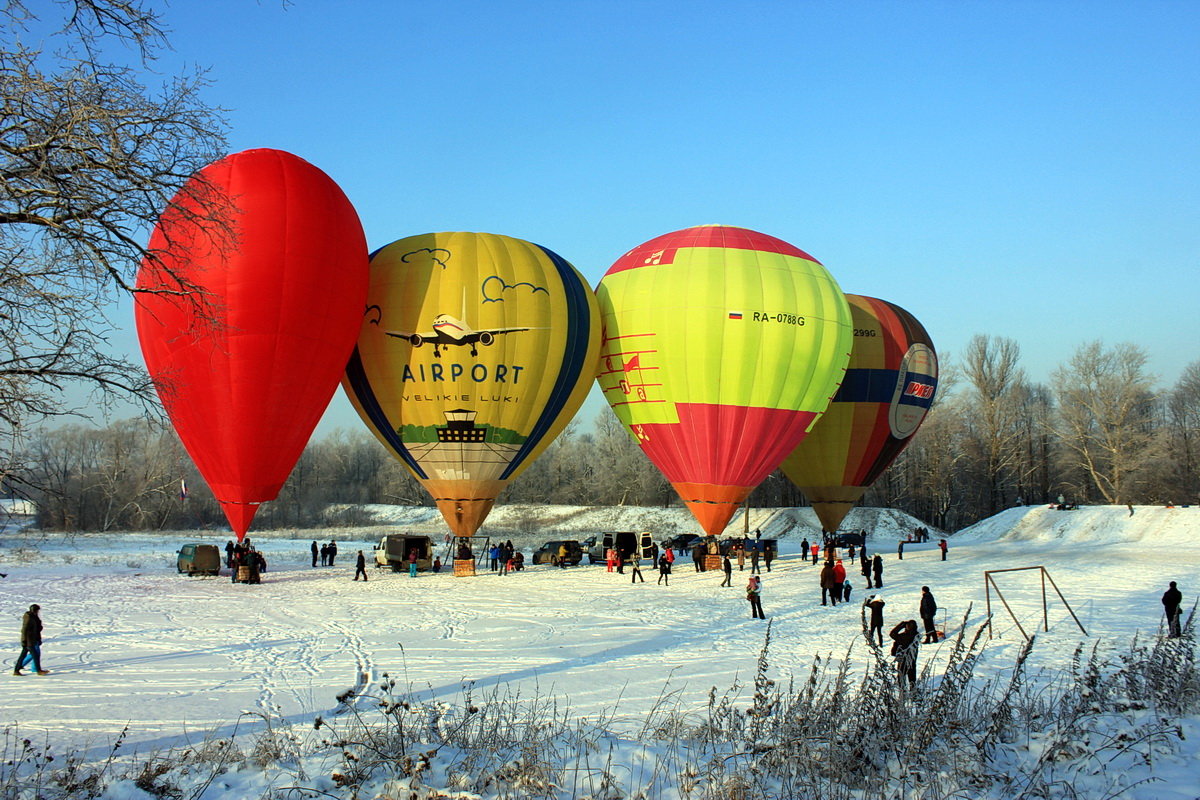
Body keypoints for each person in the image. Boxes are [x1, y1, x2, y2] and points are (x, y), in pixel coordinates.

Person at [13, 604, 47, 676]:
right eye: (37, 610)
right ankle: (38, 670)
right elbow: (24, 630)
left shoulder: (34, 617)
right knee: (35, 655)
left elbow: (37, 629)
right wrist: (24, 641)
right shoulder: (29, 617)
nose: (38, 612)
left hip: (33, 639)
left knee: (24, 655)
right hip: (29, 640)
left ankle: (16, 670)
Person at [889, 619, 919, 687]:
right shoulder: (916, 636)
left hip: (902, 660)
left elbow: (892, 634)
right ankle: (913, 694)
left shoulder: (903, 637)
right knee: (912, 680)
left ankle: (902, 693)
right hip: (912, 660)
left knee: (901, 679)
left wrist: (901, 625)